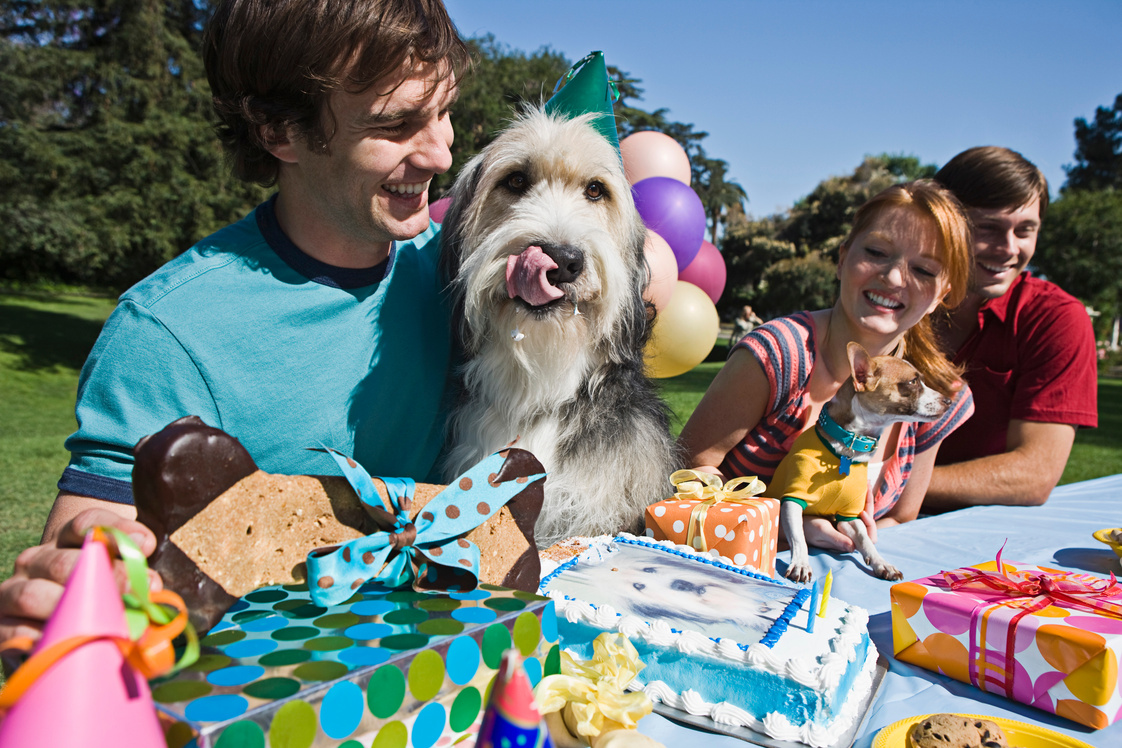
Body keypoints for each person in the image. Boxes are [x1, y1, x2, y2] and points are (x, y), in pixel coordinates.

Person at [0, 0, 469, 653]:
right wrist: (71, 590)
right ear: (280, 132)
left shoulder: (459, 272)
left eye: (445, 112)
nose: (442, 152)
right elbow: (97, 545)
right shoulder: (166, 331)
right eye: (397, 125)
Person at [679, 180, 975, 552]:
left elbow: (900, 518)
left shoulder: (939, 396)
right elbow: (684, 474)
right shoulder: (779, 356)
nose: (895, 277)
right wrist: (785, 526)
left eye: (924, 270)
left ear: (941, 296)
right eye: (877, 252)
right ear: (842, 257)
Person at [925, 147, 1098, 511]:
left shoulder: (1055, 318)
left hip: (983, 538)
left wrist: (889, 485)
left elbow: (1033, 475)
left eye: (1025, 230)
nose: (1008, 249)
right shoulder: (897, 301)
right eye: (988, 227)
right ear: (942, 222)